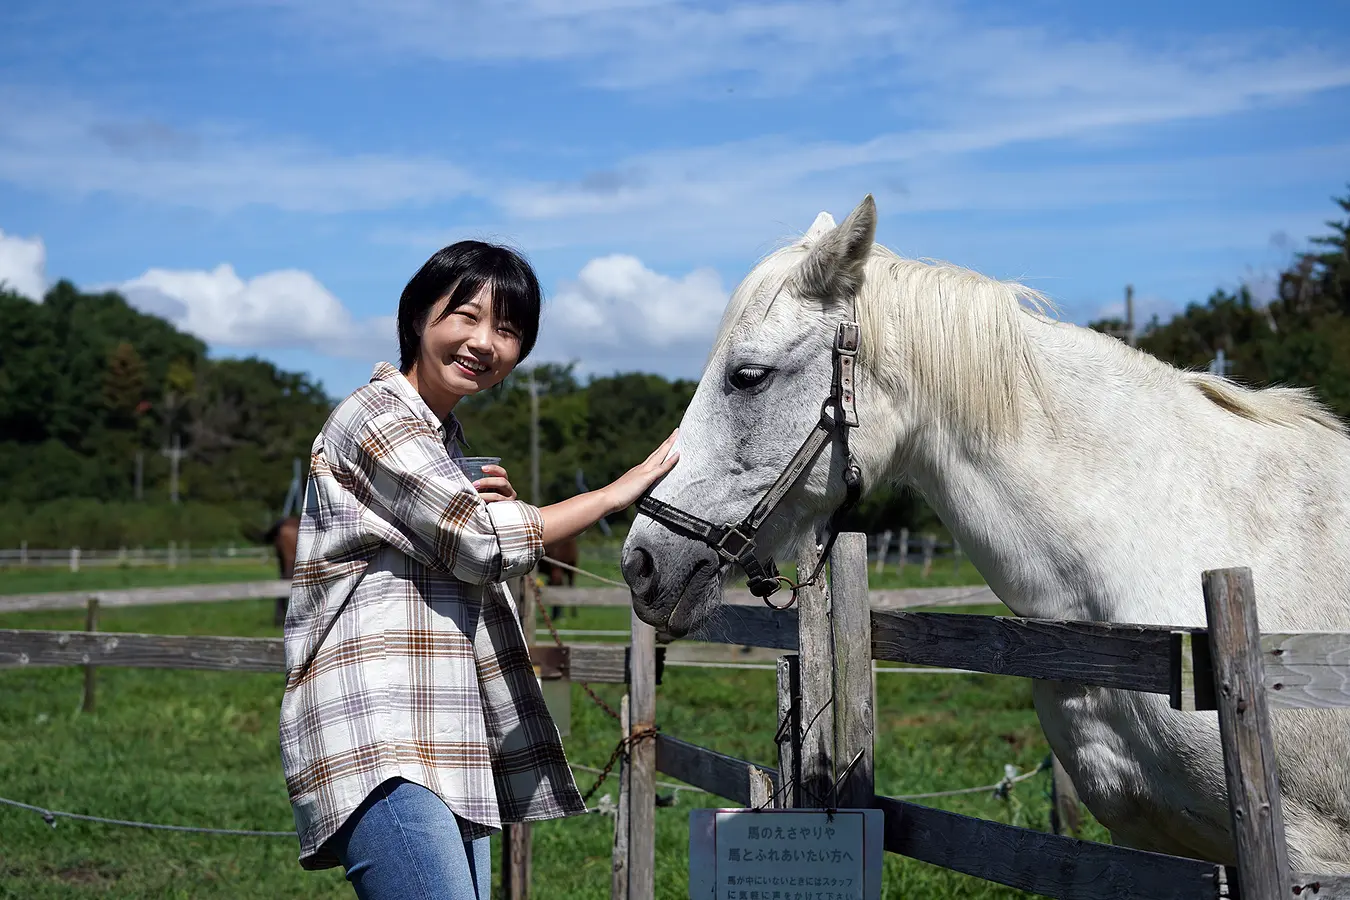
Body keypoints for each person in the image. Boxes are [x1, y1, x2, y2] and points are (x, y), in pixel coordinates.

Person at [278, 240, 679, 899]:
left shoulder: (445, 443)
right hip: (382, 734)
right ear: (418, 317)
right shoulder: (374, 416)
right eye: (465, 315)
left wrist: (499, 511)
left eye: (509, 329)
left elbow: (470, 543)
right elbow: (481, 543)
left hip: (447, 739)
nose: (484, 341)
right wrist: (617, 490)